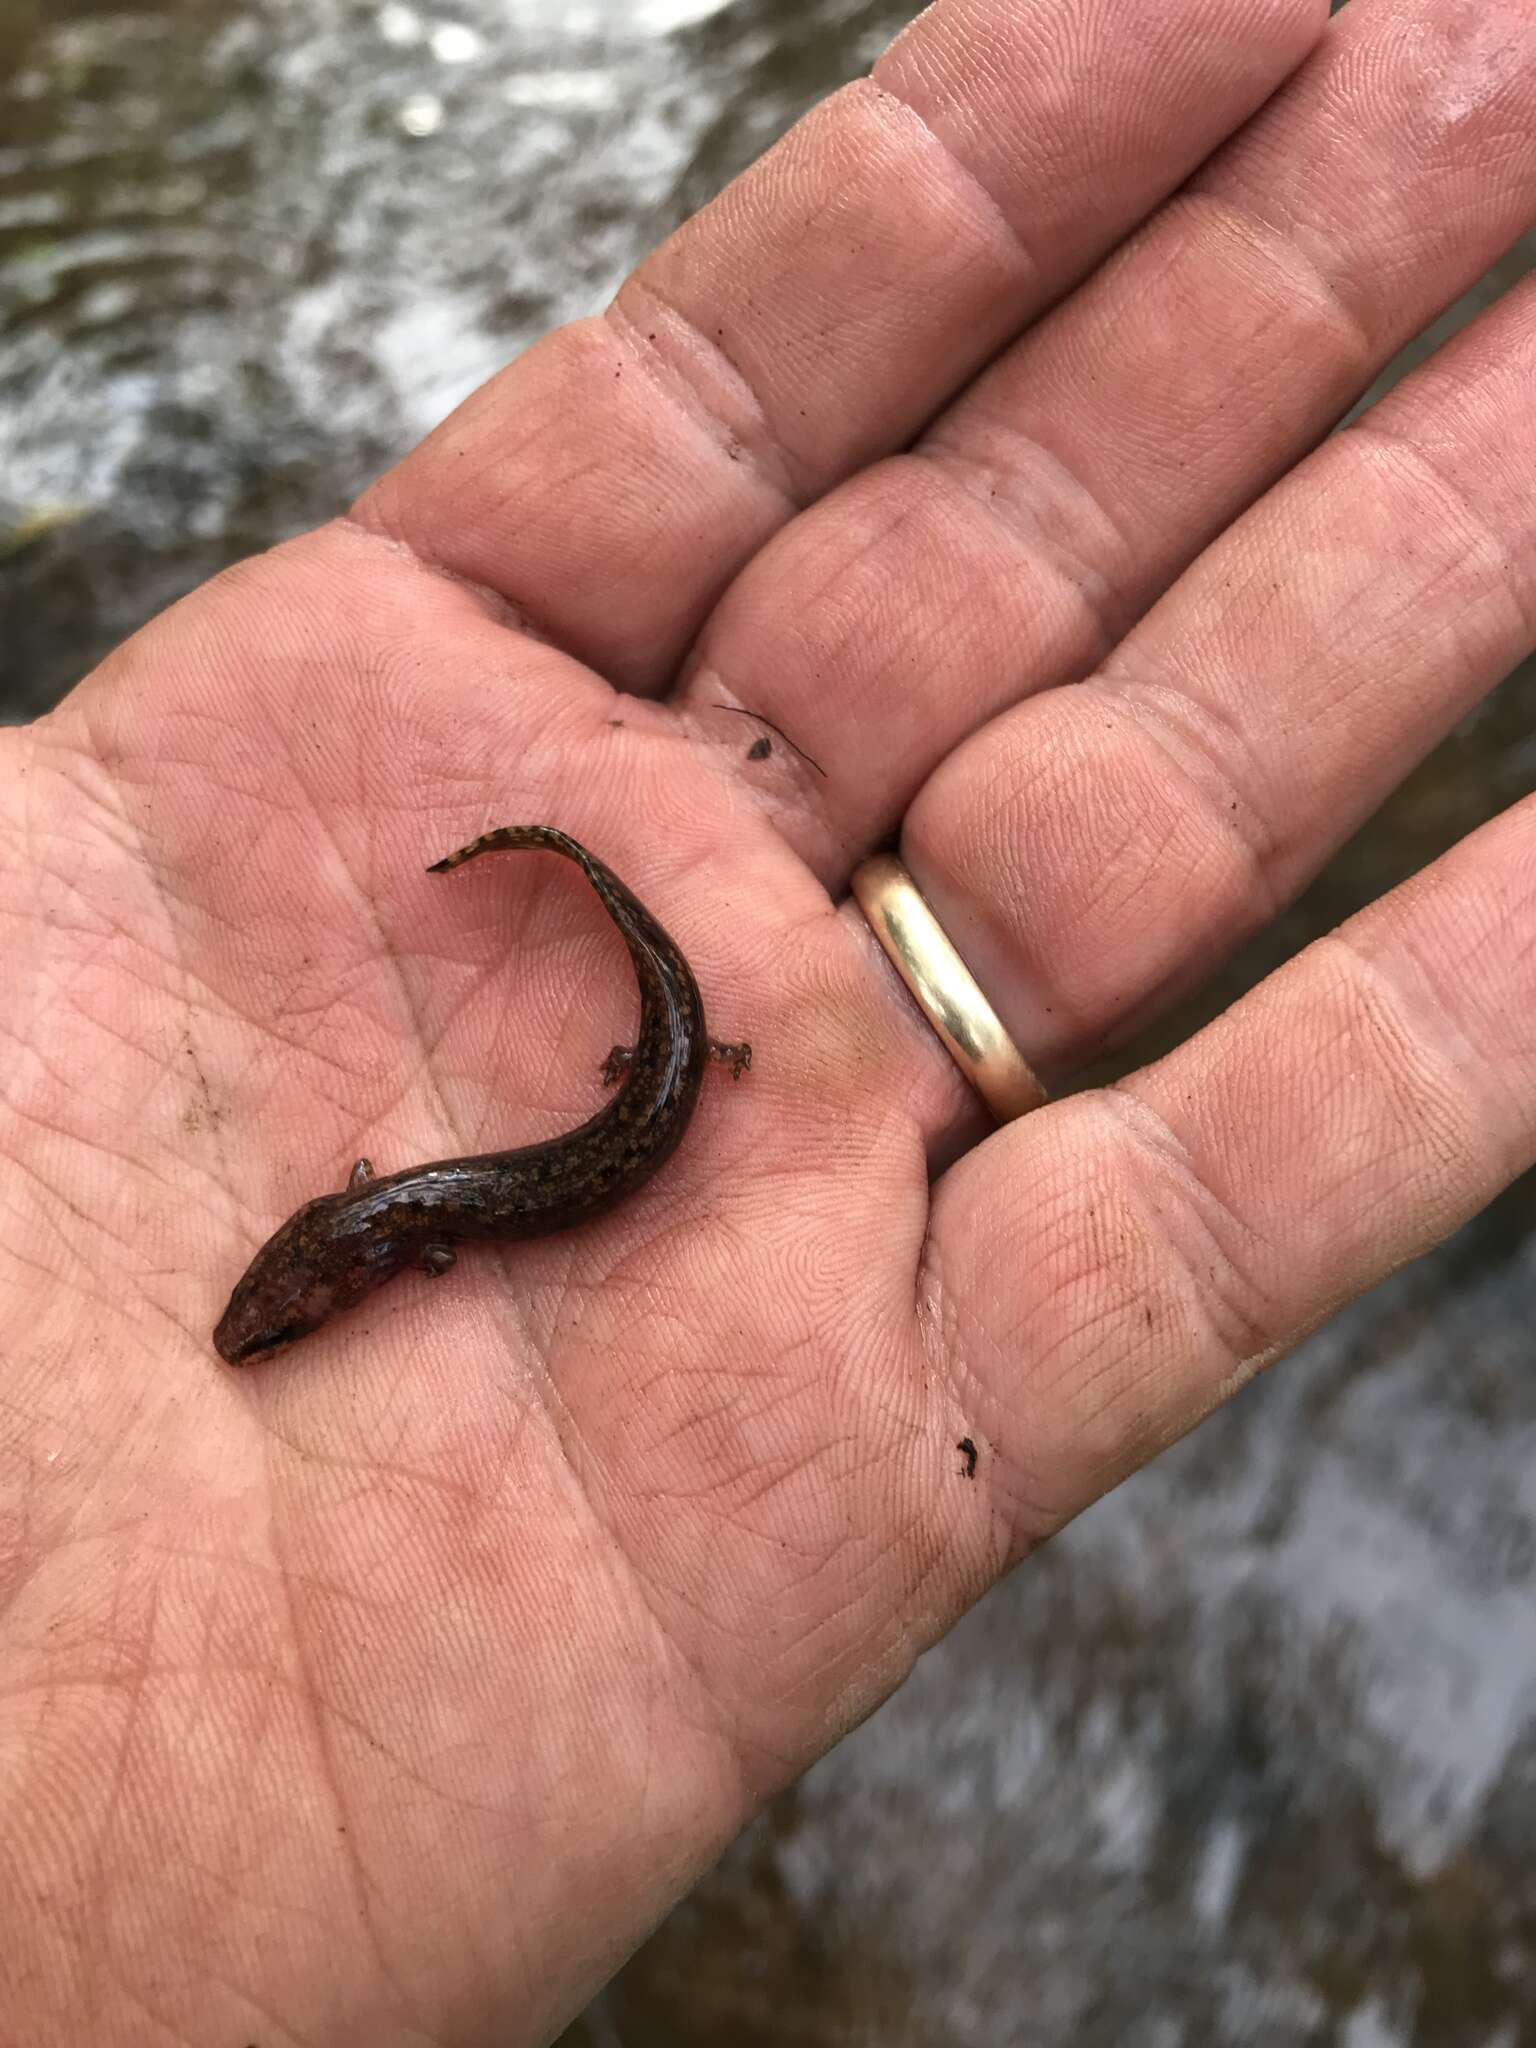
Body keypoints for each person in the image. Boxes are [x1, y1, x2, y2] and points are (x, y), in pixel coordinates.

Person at [3, 0, 1533, 2038]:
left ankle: (649, 1009)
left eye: (291, 1298)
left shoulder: (419, 1233)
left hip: (659, 1066)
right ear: (333, 1269)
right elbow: (415, 1213)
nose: (304, 1301)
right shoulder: (402, 1226)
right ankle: (642, 1006)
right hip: (647, 1071)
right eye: (299, 1297)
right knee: (606, 1099)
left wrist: (636, 1066)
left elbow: (431, 1218)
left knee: (618, 1092)